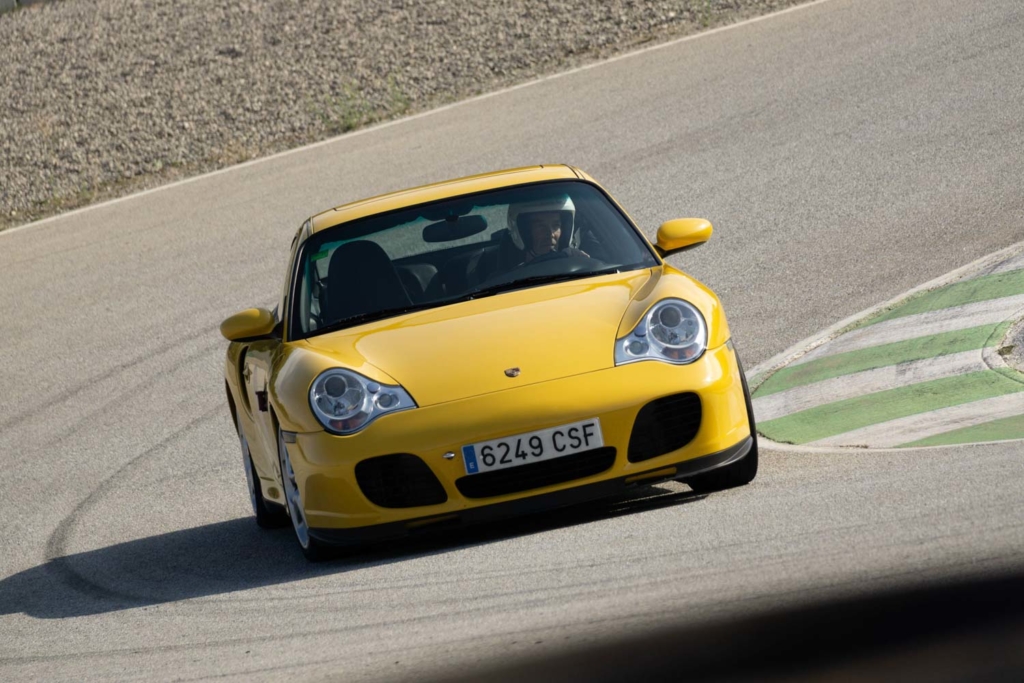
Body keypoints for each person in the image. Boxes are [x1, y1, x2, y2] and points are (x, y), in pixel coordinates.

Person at [506, 193, 589, 265]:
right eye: (541, 226)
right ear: (525, 232)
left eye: (556, 226)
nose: (550, 234)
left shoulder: (574, 262)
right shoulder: (512, 276)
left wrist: (579, 262)